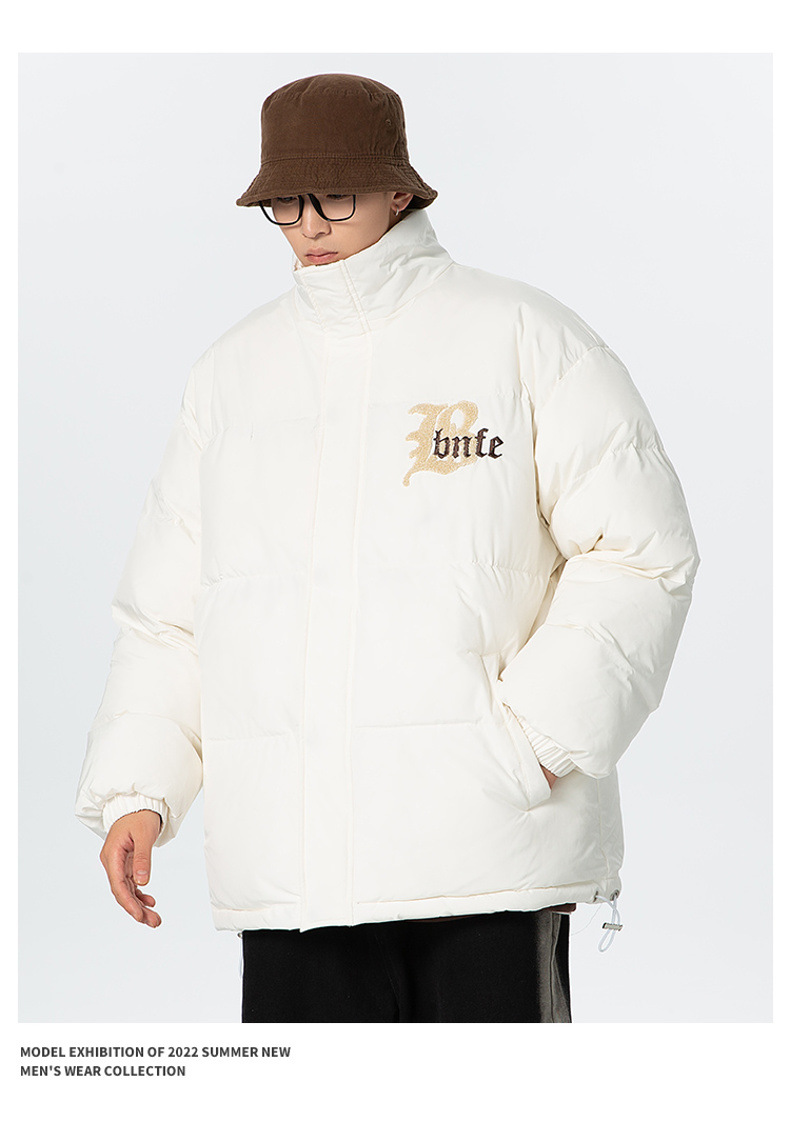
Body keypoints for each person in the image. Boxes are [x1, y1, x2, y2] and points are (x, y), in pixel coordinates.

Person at [75, 72, 700, 1023]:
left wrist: (532, 744)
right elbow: (169, 615)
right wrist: (140, 788)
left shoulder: (522, 336)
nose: (309, 225)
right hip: (293, 870)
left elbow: (641, 553)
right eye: (285, 202)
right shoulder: (231, 377)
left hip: (487, 852)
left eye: (336, 196)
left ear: (400, 190)